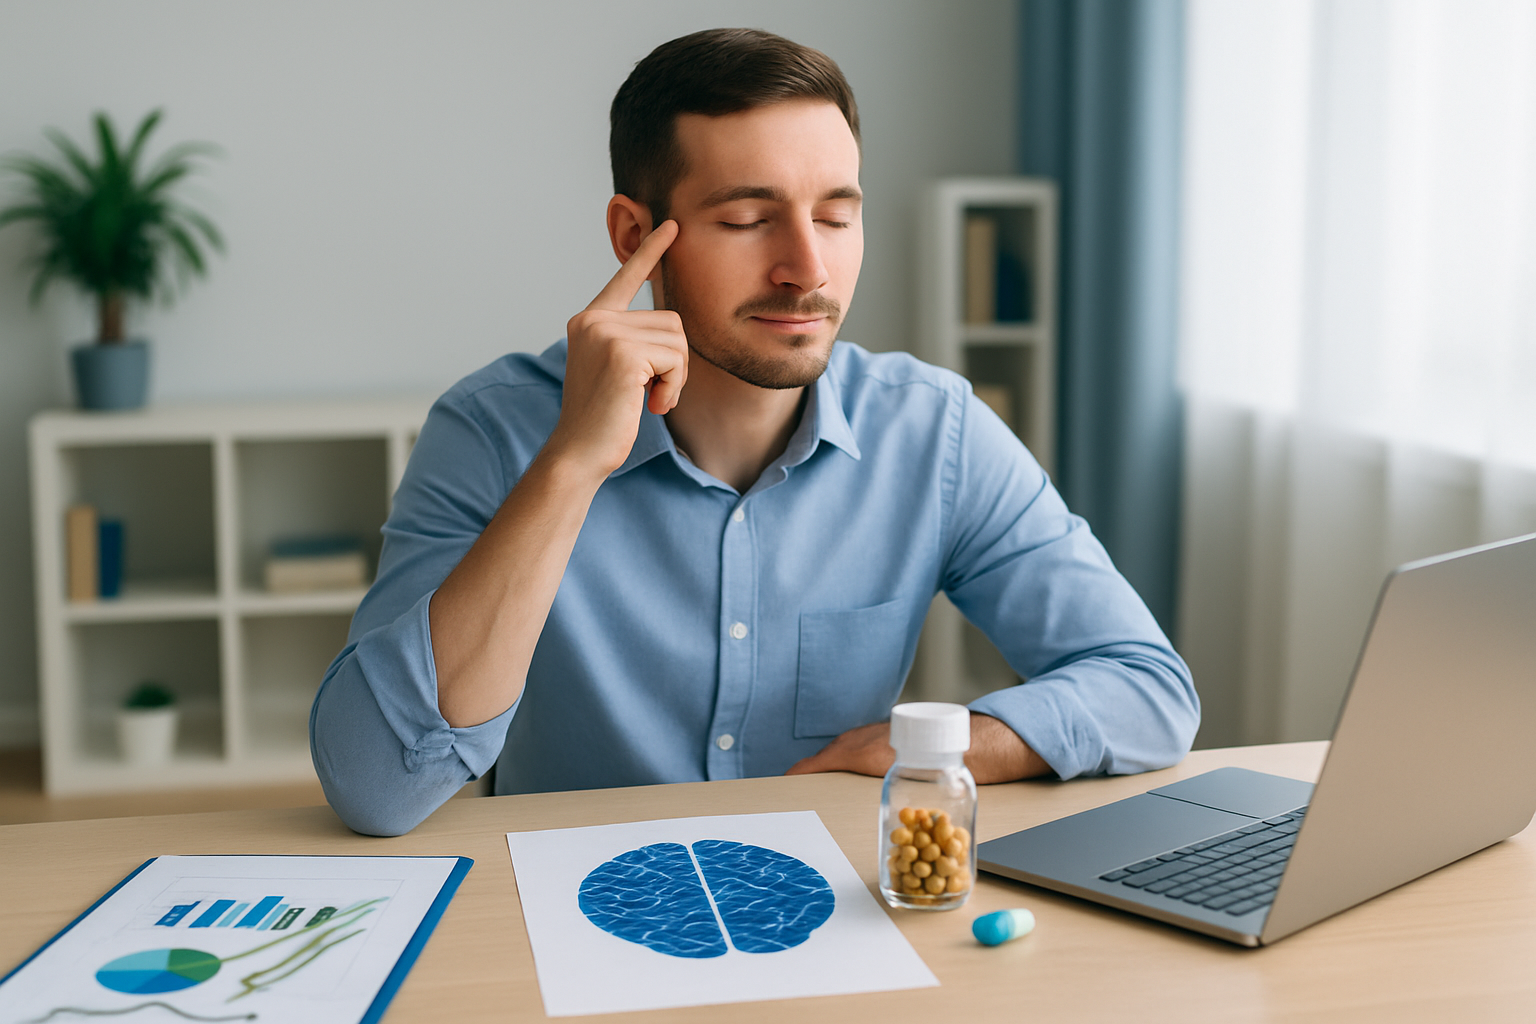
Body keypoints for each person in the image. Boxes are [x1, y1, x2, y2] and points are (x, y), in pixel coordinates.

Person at [310, 27, 1198, 836]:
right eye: (746, 219)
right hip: (571, 912)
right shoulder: (495, 429)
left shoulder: (937, 434)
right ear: (634, 236)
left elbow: (1149, 689)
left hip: (830, 907)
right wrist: (573, 465)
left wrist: (953, 745)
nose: (807, 268)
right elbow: (378, 786)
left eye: (837, 216)